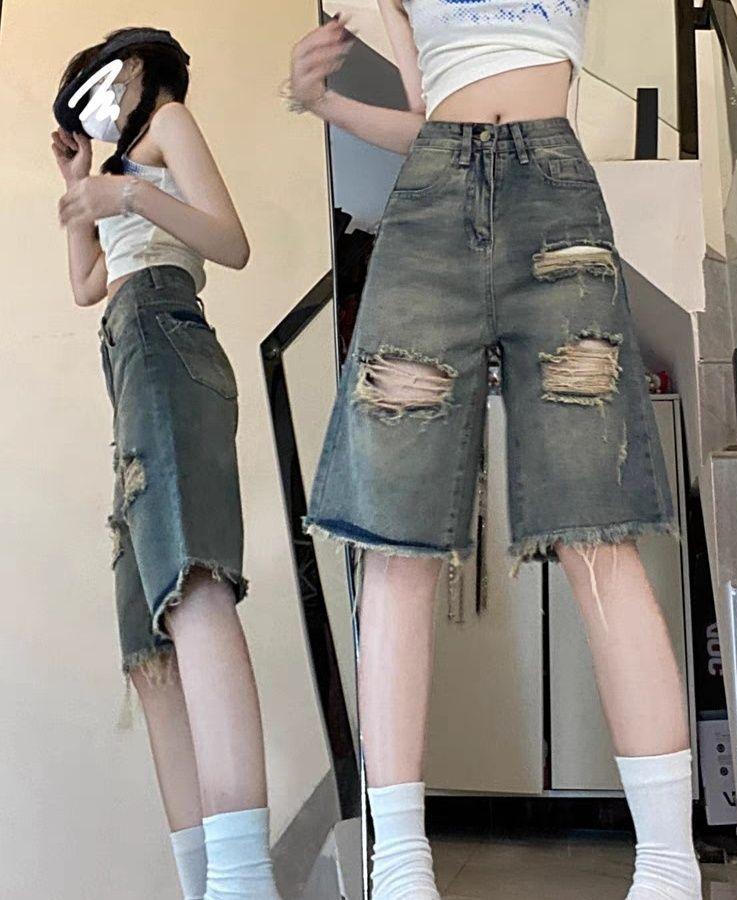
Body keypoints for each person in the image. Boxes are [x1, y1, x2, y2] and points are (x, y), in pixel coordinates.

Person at [290, 6, 702, 900]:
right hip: (431, 197)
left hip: (552, 185)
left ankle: (670, 868)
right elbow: (427, 111)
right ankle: (401, 867)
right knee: (394, 528)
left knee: (595, 518)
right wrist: (327, 102)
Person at [52, 27, 281, 900]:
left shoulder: (169, 120)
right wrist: (80, 185)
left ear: (138, 69)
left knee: (192, 584)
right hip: (127, 351)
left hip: (163, 331)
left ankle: (242, 882)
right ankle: (205, 883)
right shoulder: (119, 165)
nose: (95, 104)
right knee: (147, 645)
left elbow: (230, 241)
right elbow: (86, 286)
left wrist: (128, 194)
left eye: (100, 83)